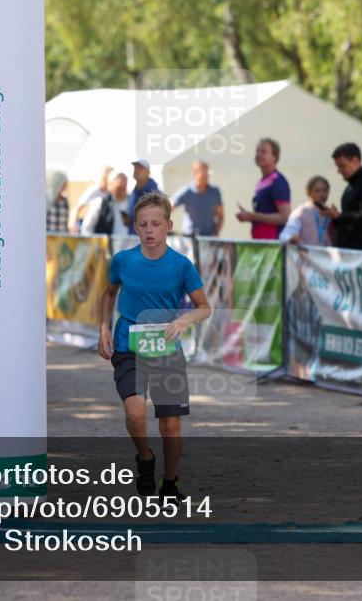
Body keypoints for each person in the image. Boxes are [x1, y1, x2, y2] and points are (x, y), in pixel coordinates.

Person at [97, 192, 210, 501]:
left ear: (168, 226)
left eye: (156, 224)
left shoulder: (181, 265)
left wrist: (183, 321)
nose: (149, 230)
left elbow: (204, 307)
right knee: (135, 413)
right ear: (135, 227)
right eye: (143, 224)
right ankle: (145, 457)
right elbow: (109, 294)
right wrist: (104, 327)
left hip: (166, 350)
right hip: (128, 346)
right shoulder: (123, 261)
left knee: (171, 426)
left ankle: (170, 484)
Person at [326, 142, 362, 251]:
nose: (339, 171)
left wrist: (339, 216)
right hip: (348, 251)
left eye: (342, 166)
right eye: (338, 166)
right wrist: (336, 218)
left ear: (355, 161)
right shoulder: (350, 187)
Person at [236, 138, 291, 239]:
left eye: (263, 151)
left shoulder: (278, 182)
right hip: (260, 240)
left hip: (273, 242)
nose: (259, 154)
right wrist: (249, 216)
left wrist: (252, 216)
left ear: (274, 156)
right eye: (257, 151)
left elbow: (285, 217)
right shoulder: (262, 181)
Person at [172, 160, 224, 237]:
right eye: (203, 173)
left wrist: (216, 233)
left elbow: (220, 215)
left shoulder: (215, 191)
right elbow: (167, 208)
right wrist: (166, 227)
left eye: (207, 172)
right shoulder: (186, 191)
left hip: (208, 238)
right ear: (195, 173)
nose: (206, 175)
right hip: (189, 237)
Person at [280, 175, 334, 247]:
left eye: (324, 190)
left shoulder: (331, 213)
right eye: (317, 191)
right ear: (309, 193)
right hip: (306, 255)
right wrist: (292, 239)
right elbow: (284, 236)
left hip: (326, 256)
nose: (322, 194)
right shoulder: (301, 212)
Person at [71, 165, 113, 233]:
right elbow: (78, 207)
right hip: (90, 226)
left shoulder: (111, 193)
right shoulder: (95, 190)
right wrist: (73, 224)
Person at [127, 159, 159, 234]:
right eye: (135, 167)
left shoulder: (153, 192)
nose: (136, 170)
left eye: (140, 168)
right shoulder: (134, 191)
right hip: (134, 236)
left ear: (148, 172)